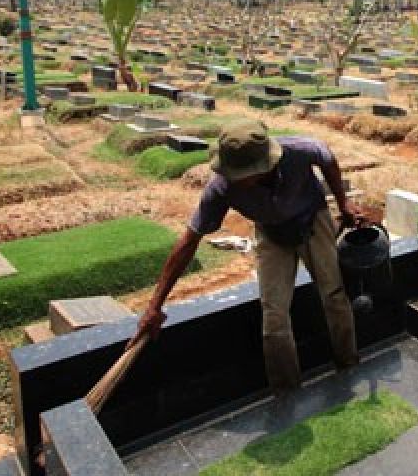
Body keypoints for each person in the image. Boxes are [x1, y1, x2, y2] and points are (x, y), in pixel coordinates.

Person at [130, 119, 363, 392]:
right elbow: (189, 241)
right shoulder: (221, 188)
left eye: (244, 174)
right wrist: (154, 306)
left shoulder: (300, 150)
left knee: (334, 295)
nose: (237, 180)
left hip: (312, 220)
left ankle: (348, 364)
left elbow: (327, 157)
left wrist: (343, 201)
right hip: (272, 234)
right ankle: (287, 391)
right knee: (274, 315)